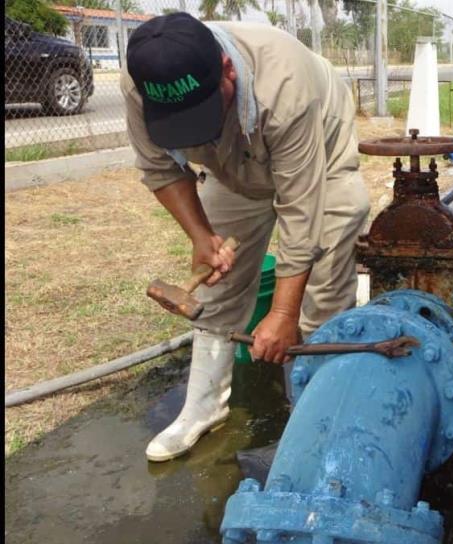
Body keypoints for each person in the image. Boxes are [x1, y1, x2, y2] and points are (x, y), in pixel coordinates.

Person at [122, 13, 370, 462]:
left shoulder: (284, 80)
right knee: (218, 286)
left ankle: (314, 411)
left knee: (325, 285)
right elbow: (160, 168)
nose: (195, 131)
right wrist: (201, 236)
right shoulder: (143, 80)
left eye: (201, 114)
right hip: (236, 160)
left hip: (320, 155)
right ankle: (203, 407)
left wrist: (282, 313)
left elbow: (300, 209)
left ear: (227, 69)